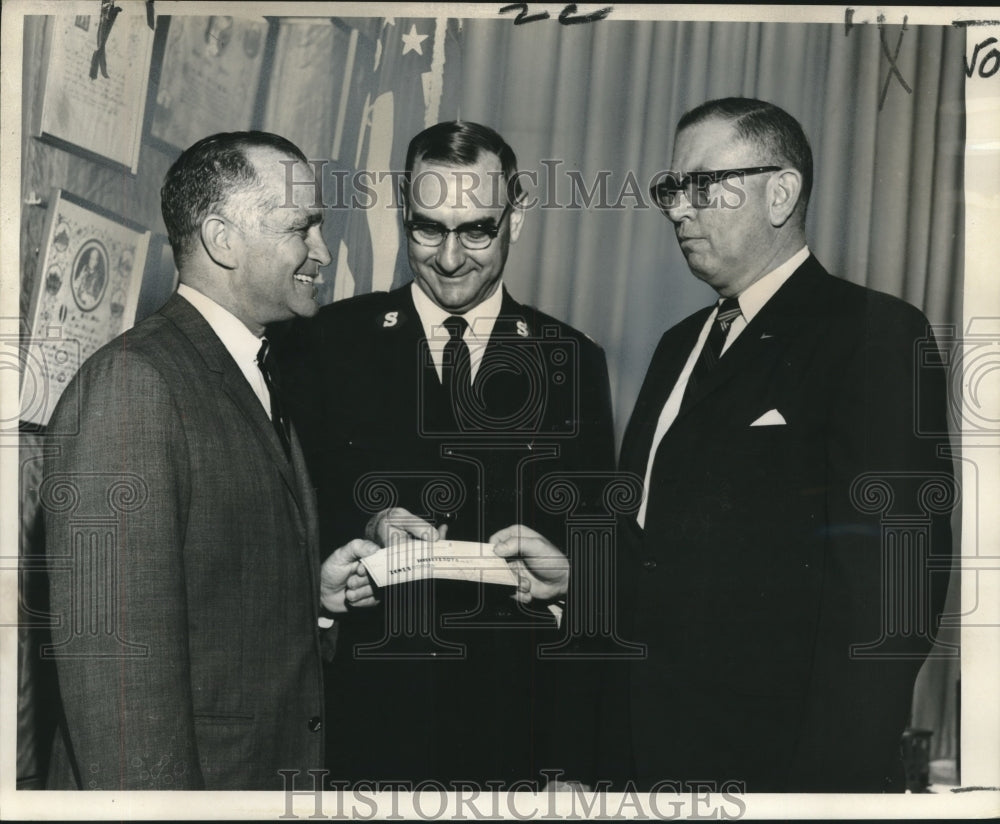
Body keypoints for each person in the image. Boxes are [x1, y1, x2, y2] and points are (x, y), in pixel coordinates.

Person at [615, 98, 954, 792]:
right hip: (648, 764)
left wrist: (825, 793)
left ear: (781, 191)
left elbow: (895, 594)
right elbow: (658, 556)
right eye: (670, 188)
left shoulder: (872, 332)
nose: (679, 209)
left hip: (786, 776)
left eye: (702, 185)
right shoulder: (678, 345)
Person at [274, 121, 616, 788]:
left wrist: (573, 765)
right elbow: (288, 514)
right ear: (403, 216)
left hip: (512, 736)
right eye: (427, 229)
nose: (451, 258)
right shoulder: (324, 342)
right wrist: (368, 525)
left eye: (477, 230)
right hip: (359, 727)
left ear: (516, 218)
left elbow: (594, 575)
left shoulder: (572, 360)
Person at [42, 131, 379, 790]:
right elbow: (117, 687)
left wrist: (315, 600)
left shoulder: (255, 369)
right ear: (223, 239)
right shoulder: (134, 384)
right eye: (300, 227)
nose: (323, 250)